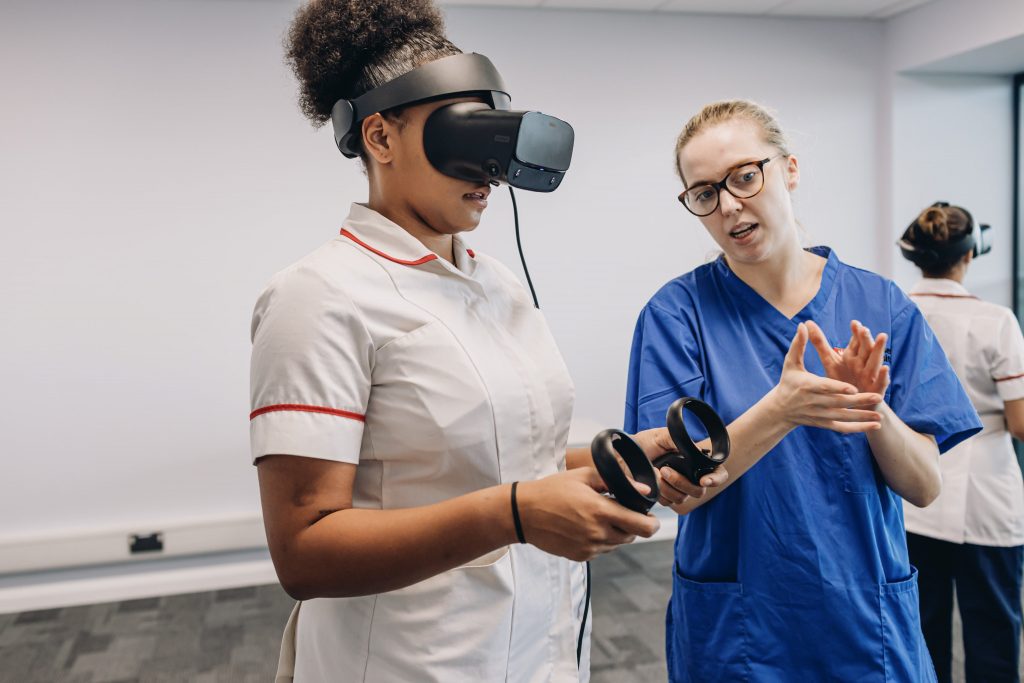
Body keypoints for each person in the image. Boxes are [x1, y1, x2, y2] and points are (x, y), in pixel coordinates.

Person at [248, 2, 718, 681]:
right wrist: (516, 513)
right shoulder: (317, 297)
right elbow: (305, 551)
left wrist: (616, 454)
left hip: (541, 647)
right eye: (463, 137)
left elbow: (491, 447)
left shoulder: (495, 283)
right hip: (414, 662)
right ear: (380, 137)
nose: (491, 171)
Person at [624, 100, 983, 682]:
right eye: (705, 193)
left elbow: (924, 485)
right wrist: (784, 409)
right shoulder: (675, 317)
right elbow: (682, 495)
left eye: (745, 175)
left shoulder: (880, 304)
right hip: (740, 632)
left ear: (789, 169)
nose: (730, 205)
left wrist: (871, 411)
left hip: (866, 623)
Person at [900, 202, 1024, 683]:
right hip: (985, 495)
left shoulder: (896, 310)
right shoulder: (996, 320)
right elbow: (1019, 424)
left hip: (911, 489)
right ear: (970, 254)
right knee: (992, 626)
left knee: (920, 628)